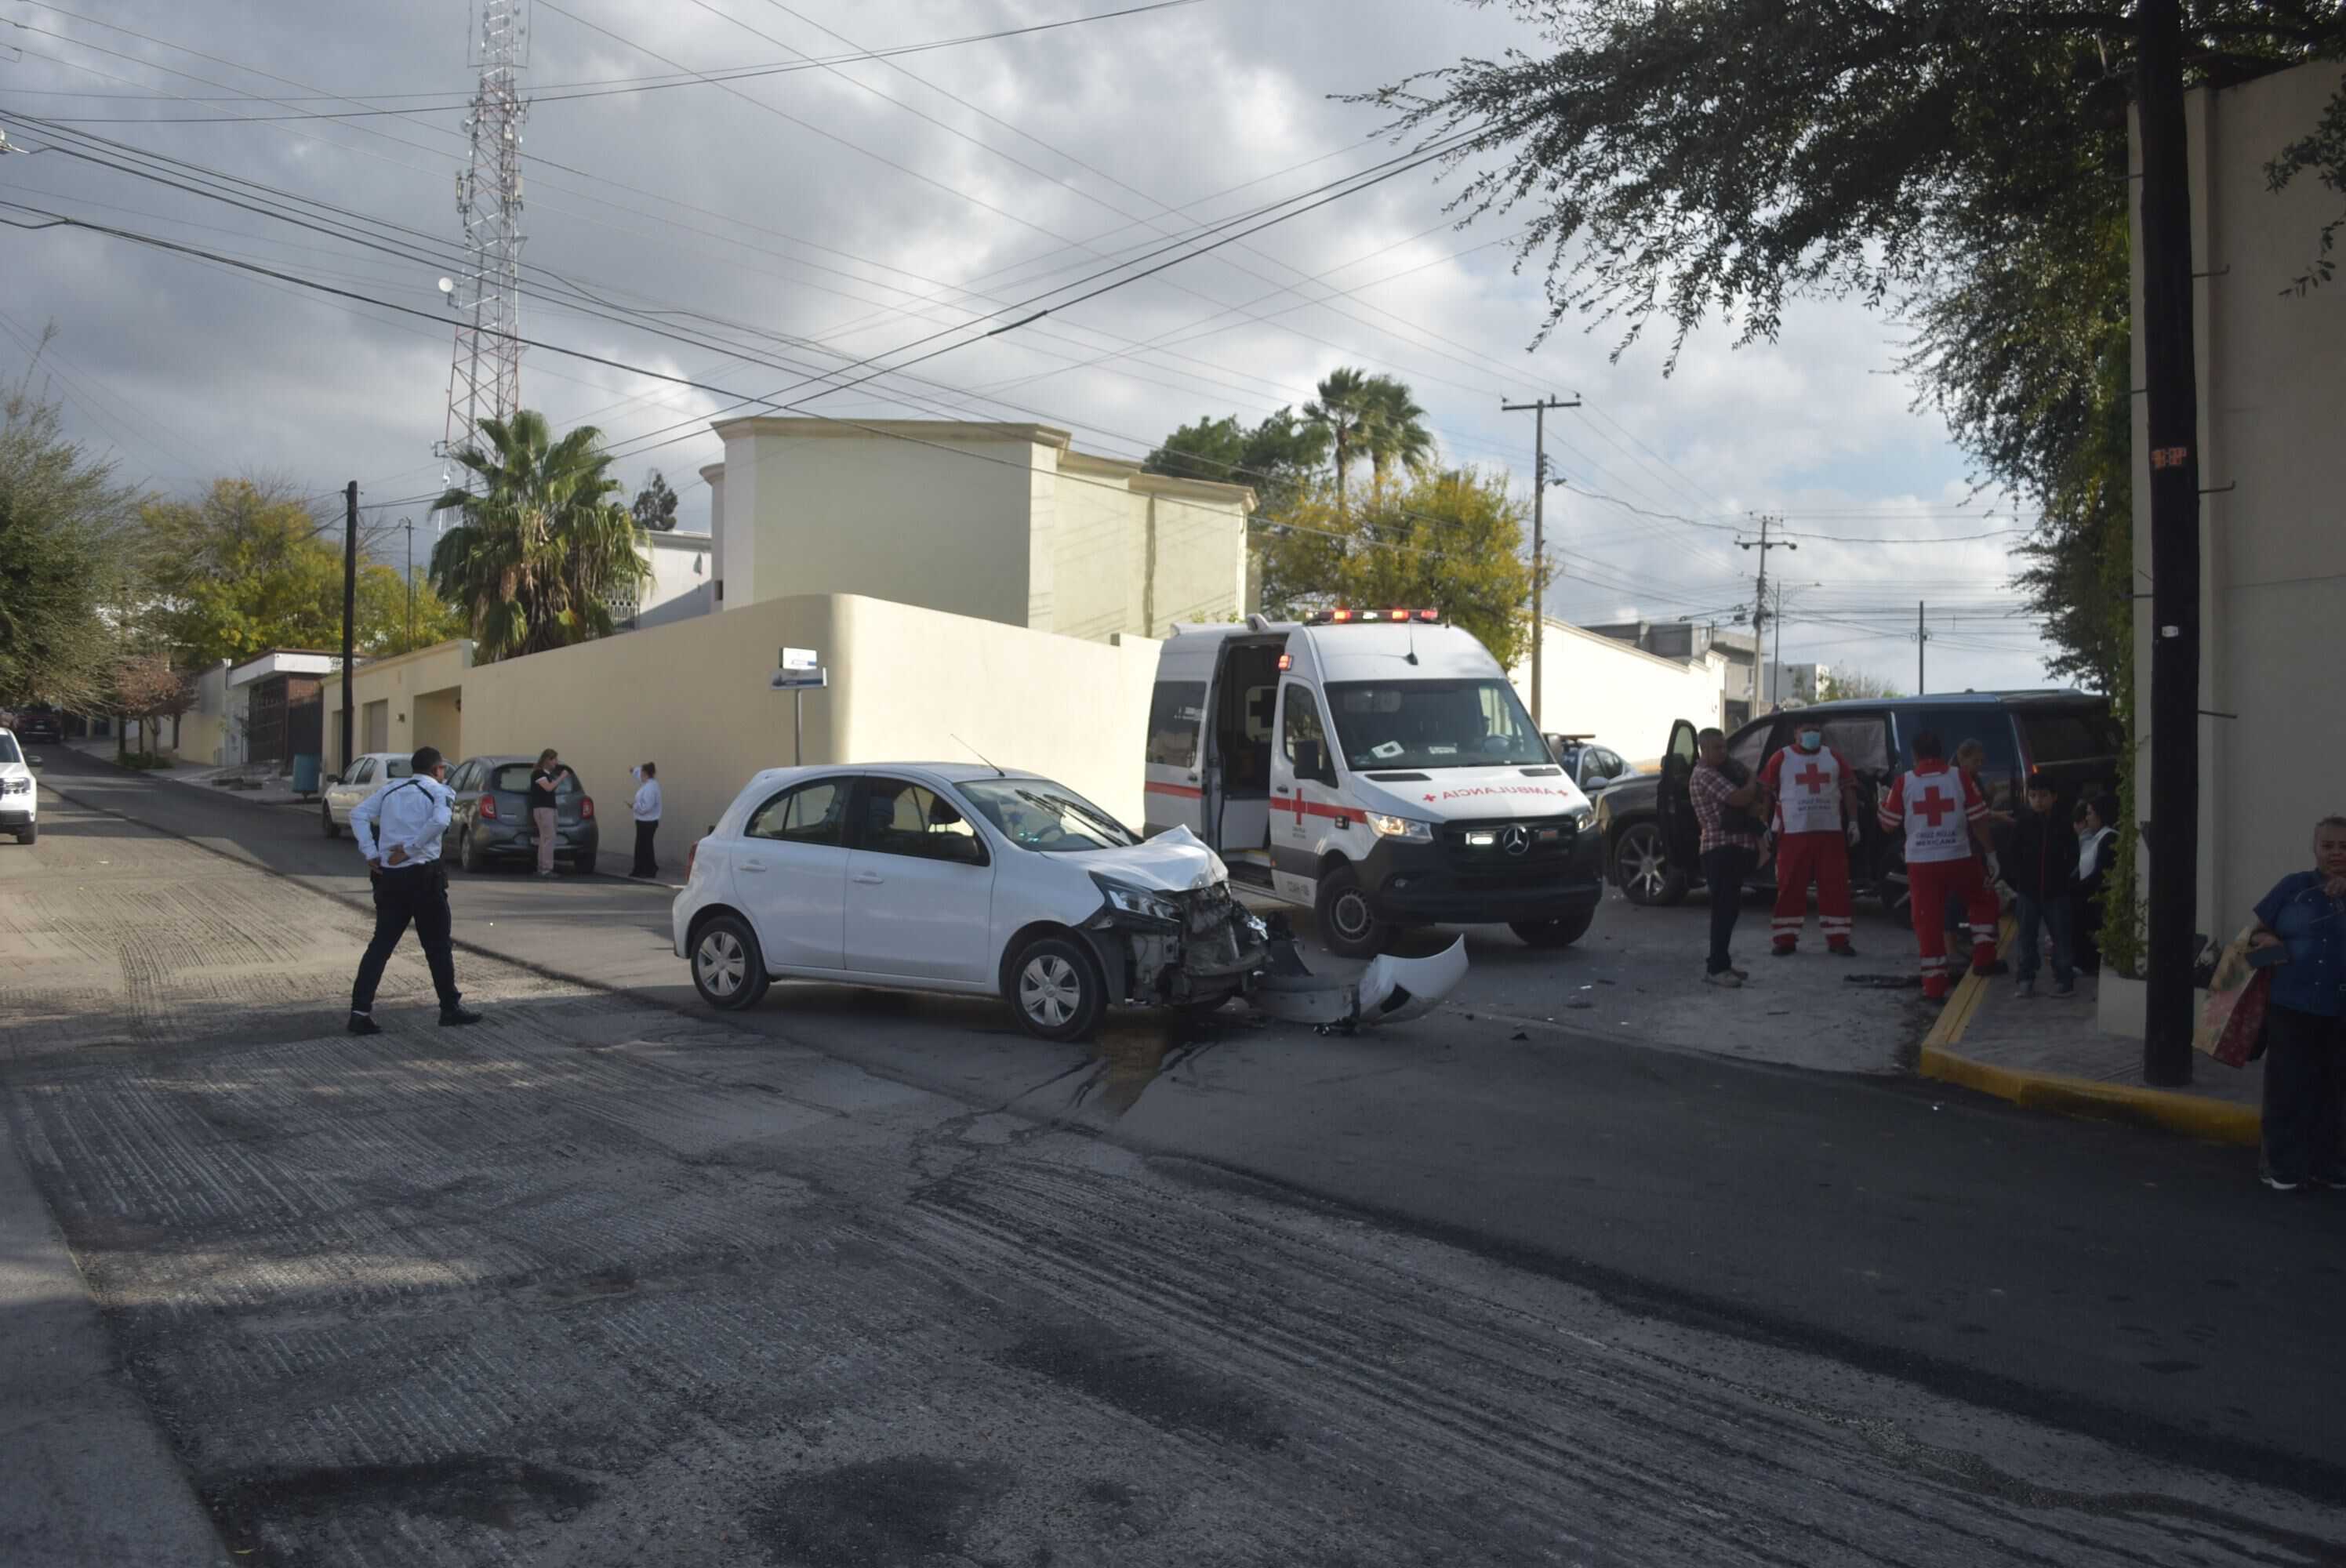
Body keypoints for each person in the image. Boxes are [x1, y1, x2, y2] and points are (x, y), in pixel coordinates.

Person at [347, 746, 483, 1034]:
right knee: (437, 946)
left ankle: (359, 1012)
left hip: (389, 878)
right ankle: (449, 1008)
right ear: (438, 770)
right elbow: (440, 821)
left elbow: (358, 814)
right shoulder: (439, 791)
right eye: (443, 770)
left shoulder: (391, 789)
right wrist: (410, 850)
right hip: (423, 877)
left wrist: (371, 852)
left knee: (381, 945)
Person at [2246, 817, 2346, 1193]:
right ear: (2316, 849)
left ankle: (2331, 1165)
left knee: (2336, 1090)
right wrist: (2266, 942)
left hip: (2340, 1008)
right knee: (2287, 1089)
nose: (2337, 853)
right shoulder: (2293, 887)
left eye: (2344, 846)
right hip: (2290, 1004)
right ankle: (2283, 1165)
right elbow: (2254, 934)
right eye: (2329, 845)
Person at [1879, 730, 1999, 1000]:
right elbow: (1979, 820)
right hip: (1959, 857)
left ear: (1915, 755)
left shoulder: (1904, 783)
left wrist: (1880, 804)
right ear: (1943, 752)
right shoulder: (1959, 778)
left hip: (1922, 865)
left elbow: (1889, 825)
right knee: (1983, 900)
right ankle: (1984, 958)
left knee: (1928, 922)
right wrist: (1991, 855)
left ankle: (1934, 987)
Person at [1757, 720, 1865, 957]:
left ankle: (1838, 938)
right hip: (1793, 835)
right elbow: (1766, 792)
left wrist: (1854, 822)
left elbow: (1849, 790)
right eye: (1806, 730)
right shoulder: (1781, 758)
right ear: (1795, 733)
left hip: (1831, 834)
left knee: (1835, 887)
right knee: (1789, 887)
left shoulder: (1834, 757)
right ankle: (1785, 939)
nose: (1812, 734)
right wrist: (1764, 825)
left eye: (1816, 730)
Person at [1688, 727, 1767, 988]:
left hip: (1732, 849)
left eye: (1724, 747)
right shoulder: (1705, 775)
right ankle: (1716, 969)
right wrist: (1753, 781)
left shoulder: (1723, 770)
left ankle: (1722, 962)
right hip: (1719, 850)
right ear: (1703, 750)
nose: (1723, 752)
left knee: (1730, 911)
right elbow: (1740, 797)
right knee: (1723, 911)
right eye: (1716, 748)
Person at [2008, 772, 2079, 998]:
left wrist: (2063, 878)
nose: (2038, 800)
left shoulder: (2063, 823)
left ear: (2054, 797)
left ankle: (2064, 979)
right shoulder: (2023, 822)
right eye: (2033, 796)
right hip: (2028, 891)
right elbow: (2013, 853)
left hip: (2056, 891)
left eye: (2044, 796)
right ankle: (2026, 978)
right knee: (2026, 936)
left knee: (2061, 936)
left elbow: (2073, 854)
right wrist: (2019, 880)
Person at [528, 749, 572, 877]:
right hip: (543, 809)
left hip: (550, 808)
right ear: (547, 760)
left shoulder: (546, 774)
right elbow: (548, 787)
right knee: (549, 838)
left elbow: (550, 786)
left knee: (545, 838)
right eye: (555, 760)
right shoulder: (538, 773)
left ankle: (542, 868)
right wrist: (562, 777)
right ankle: (547, 869)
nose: (556, 763)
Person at [629, 760, 663, 880]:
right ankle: (646, 868)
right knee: (644, 846)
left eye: (642, 773)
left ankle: (646, 869)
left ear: (646, 774)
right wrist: (634, 771)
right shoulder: (650, 783)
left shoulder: (650, 788)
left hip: (647, 822)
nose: (640, 775)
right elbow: (639, 775)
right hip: (646, 821)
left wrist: (634, 807)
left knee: (643, 847)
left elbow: (646, 806)